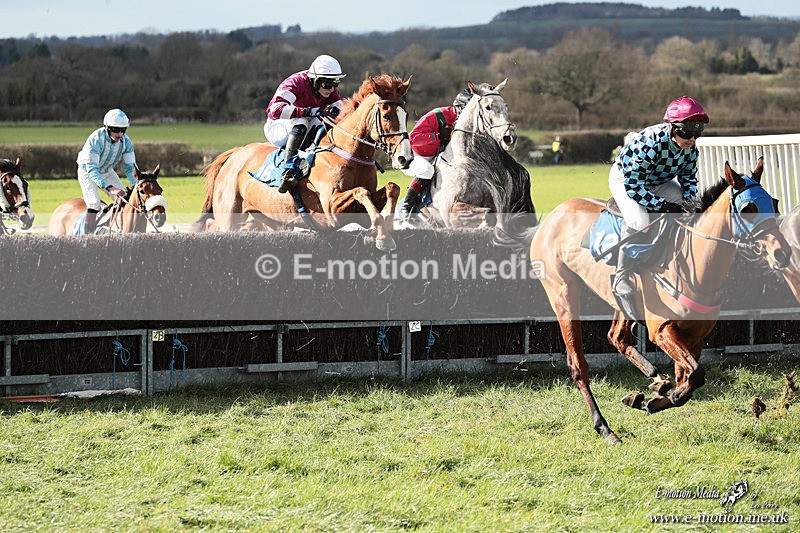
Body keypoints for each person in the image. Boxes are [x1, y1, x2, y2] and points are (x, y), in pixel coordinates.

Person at [609, 95, 709, 297]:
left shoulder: (691, 149)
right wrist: (661, 205)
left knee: (689, 210)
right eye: (687, 133)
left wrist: (690, 203)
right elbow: (634, 186)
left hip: (659, 182)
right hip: (626, 179)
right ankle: (621, 275)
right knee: (639, 222)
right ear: (673, 128)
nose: (692, 139)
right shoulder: (650, 143)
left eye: (697, 133)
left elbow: (688, 179)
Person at [264, 54, 346, 193]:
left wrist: (337, 110)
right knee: (301, 122)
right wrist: (306, 111)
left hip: (304, 124)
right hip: (277, 126)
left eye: (335, 84)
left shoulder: (329, 89)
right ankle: (288, 171)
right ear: (315, 81)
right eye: (327, 84)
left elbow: (341, 110)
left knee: (326, 121)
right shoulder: (296, 83)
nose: (331, 89)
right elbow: (274, 110)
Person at [396, 88, 473, 217]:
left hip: (436, 155)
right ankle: (406, 206)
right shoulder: (438, 115)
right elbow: (414, 138)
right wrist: (437, 136)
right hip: (414, 154)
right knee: (427, 170)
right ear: (460, 108)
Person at [76, 108, 137, 234]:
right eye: (115, 130)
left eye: (123, 130)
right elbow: (92, 170)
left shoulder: (126, 141)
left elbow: (130, 167)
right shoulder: (95, 139)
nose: (119, 134)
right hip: (88, 172)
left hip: (107, 171)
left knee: (124, 199)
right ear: (107, 128)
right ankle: (87, 238)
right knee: (94, 203)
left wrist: (136, 185)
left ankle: (120, 231)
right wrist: (110, 188)